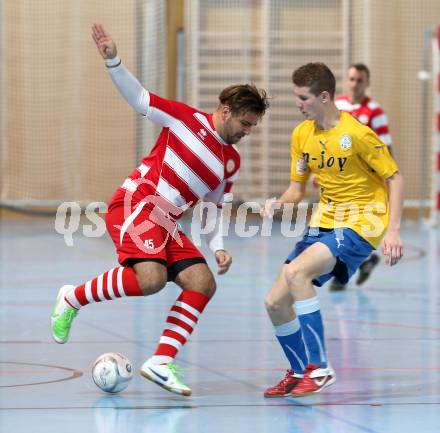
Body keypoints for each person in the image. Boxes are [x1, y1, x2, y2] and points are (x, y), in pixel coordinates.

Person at [51, 23, 269, 397]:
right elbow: (140, 99)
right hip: (136, 204)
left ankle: (161, 361)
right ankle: (73, 297)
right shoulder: (186, 120)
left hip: (166, 222)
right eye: (245, 123)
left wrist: (216, 245)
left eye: (253, 126)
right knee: (150, 279)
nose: (247, 132)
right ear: (225, 111)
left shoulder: (230, 161)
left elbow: (213, 206)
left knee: (203, 283)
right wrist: (114, 61)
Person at [260, 62, 403, 397]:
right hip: (324, 220)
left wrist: (393, 231)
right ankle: (298, 370)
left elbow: (394, 177)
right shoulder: (302, 134)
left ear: (324, 96)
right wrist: (278, 204)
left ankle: (320, 368)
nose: (298, 104)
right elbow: (297, 190)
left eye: (303, 98)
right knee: (274, 302)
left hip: (363, 220)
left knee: (297, 274)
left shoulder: (357, 134)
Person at [329, 63, 394, 291]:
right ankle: (365, 261)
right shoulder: (337, 105)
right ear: (346, 81)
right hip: (337, 180)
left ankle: (341, 275)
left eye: (360, 80)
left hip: (364, 183)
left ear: (367, 83)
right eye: (352, 79)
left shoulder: (374, 111)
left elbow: (386, 149)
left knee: (349, 228)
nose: (355, 84)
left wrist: (387, 180)